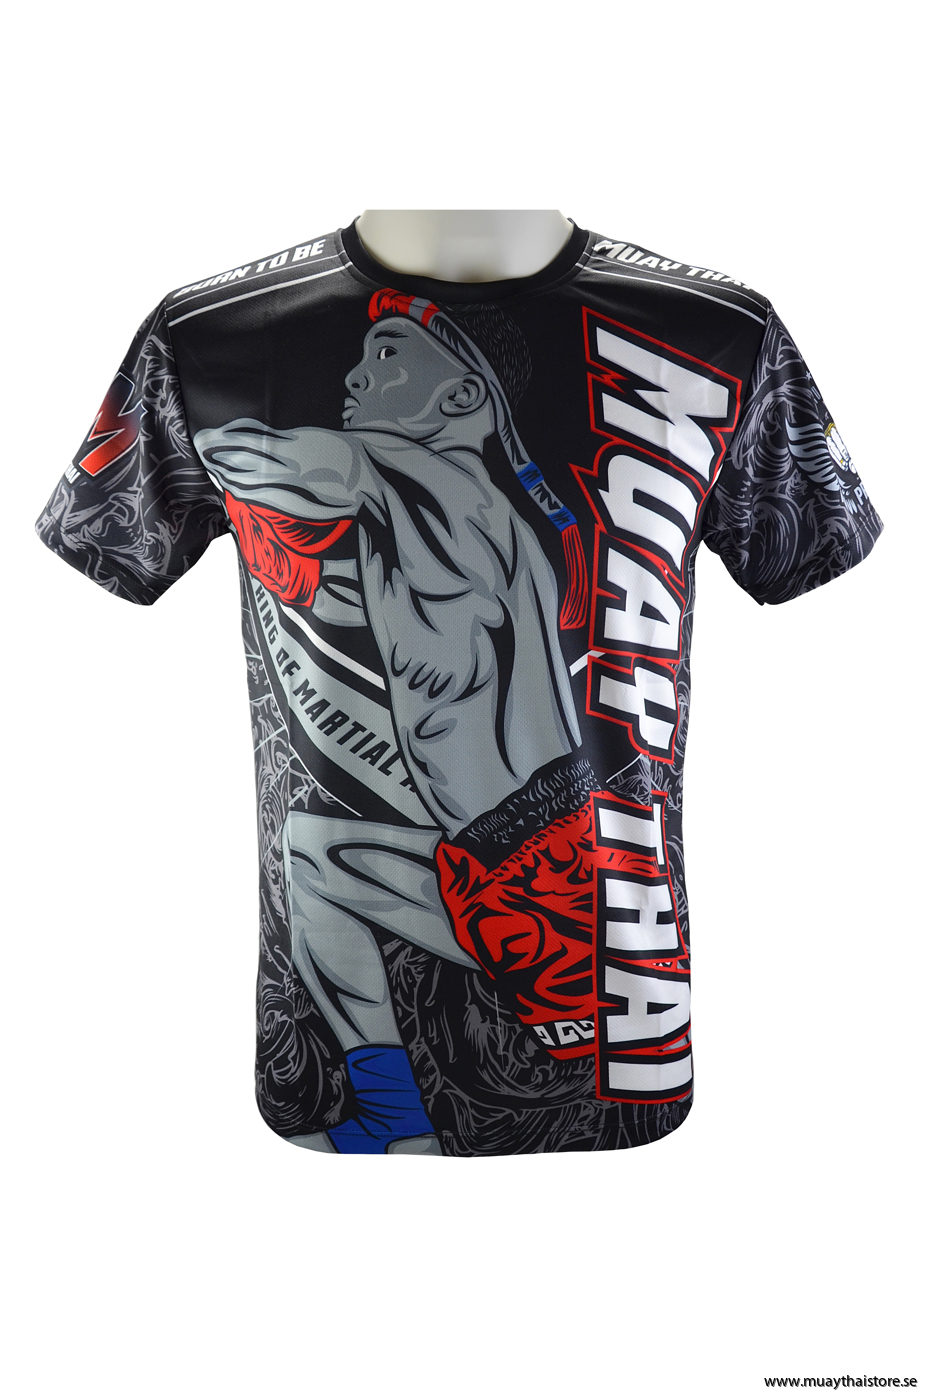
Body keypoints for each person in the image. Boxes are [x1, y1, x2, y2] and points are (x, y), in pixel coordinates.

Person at [194, 290, 631, 1153]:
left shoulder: (415, 475)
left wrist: (215, 435)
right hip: (525, 854)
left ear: (462, 396)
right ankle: (398, 1119)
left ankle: (395, 1112)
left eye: (388, 355)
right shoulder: (465, 517)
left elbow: (263, 458)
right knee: (314, 858)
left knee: (314, 861)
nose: (355, 375)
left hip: (535, 871)